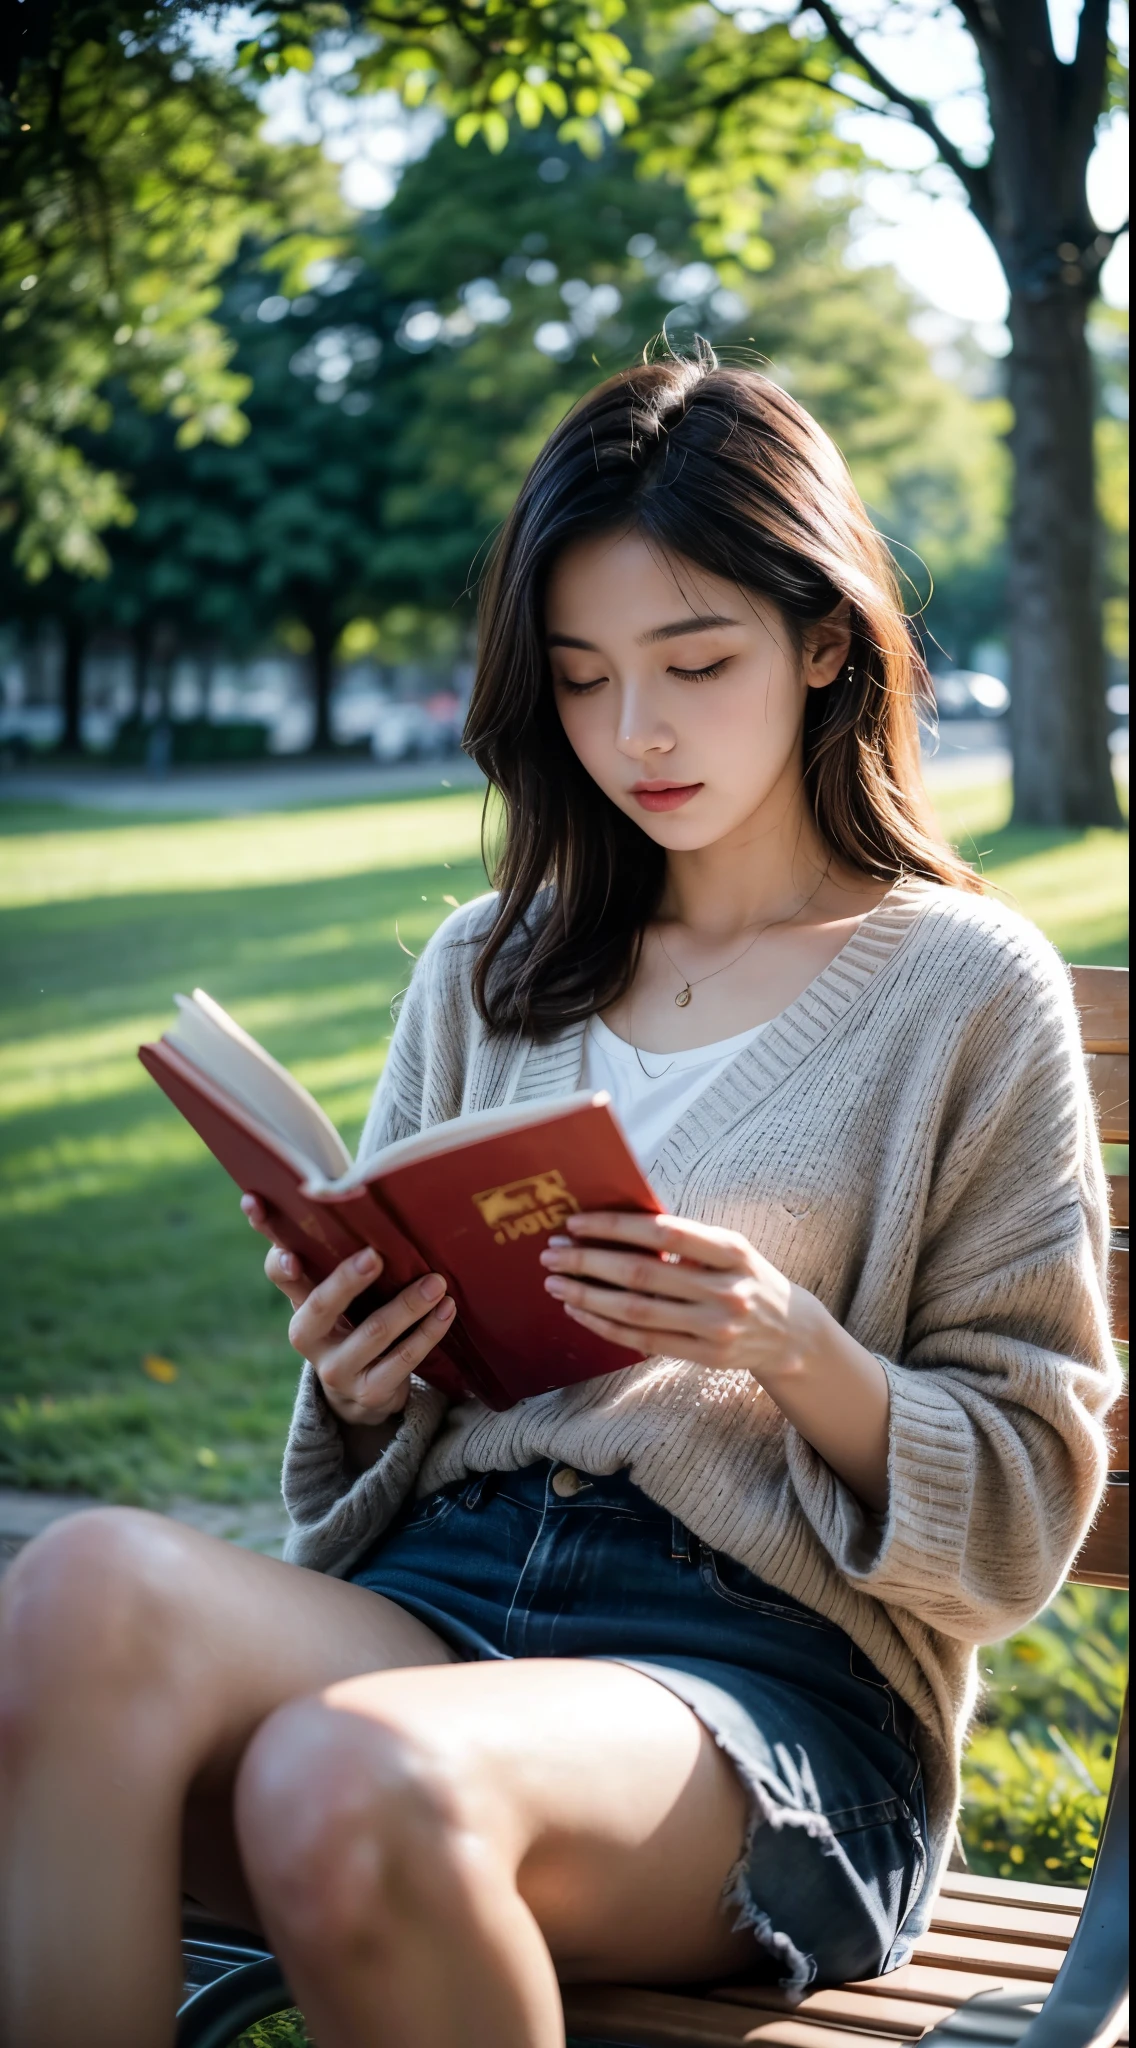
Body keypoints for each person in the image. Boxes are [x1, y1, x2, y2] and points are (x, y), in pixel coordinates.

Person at [0, 354, 1119, 2048]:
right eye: (586, 682)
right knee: (72, 1592)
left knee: (351, 1770)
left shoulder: (965, 987)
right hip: (440, 1608)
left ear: (825, 644)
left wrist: (793, 1348)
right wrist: (363, 1366)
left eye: (695, 663)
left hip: (764, 1692)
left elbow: (1032, 1494)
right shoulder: (488, 966)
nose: (637, 735)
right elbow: (352, 1480)